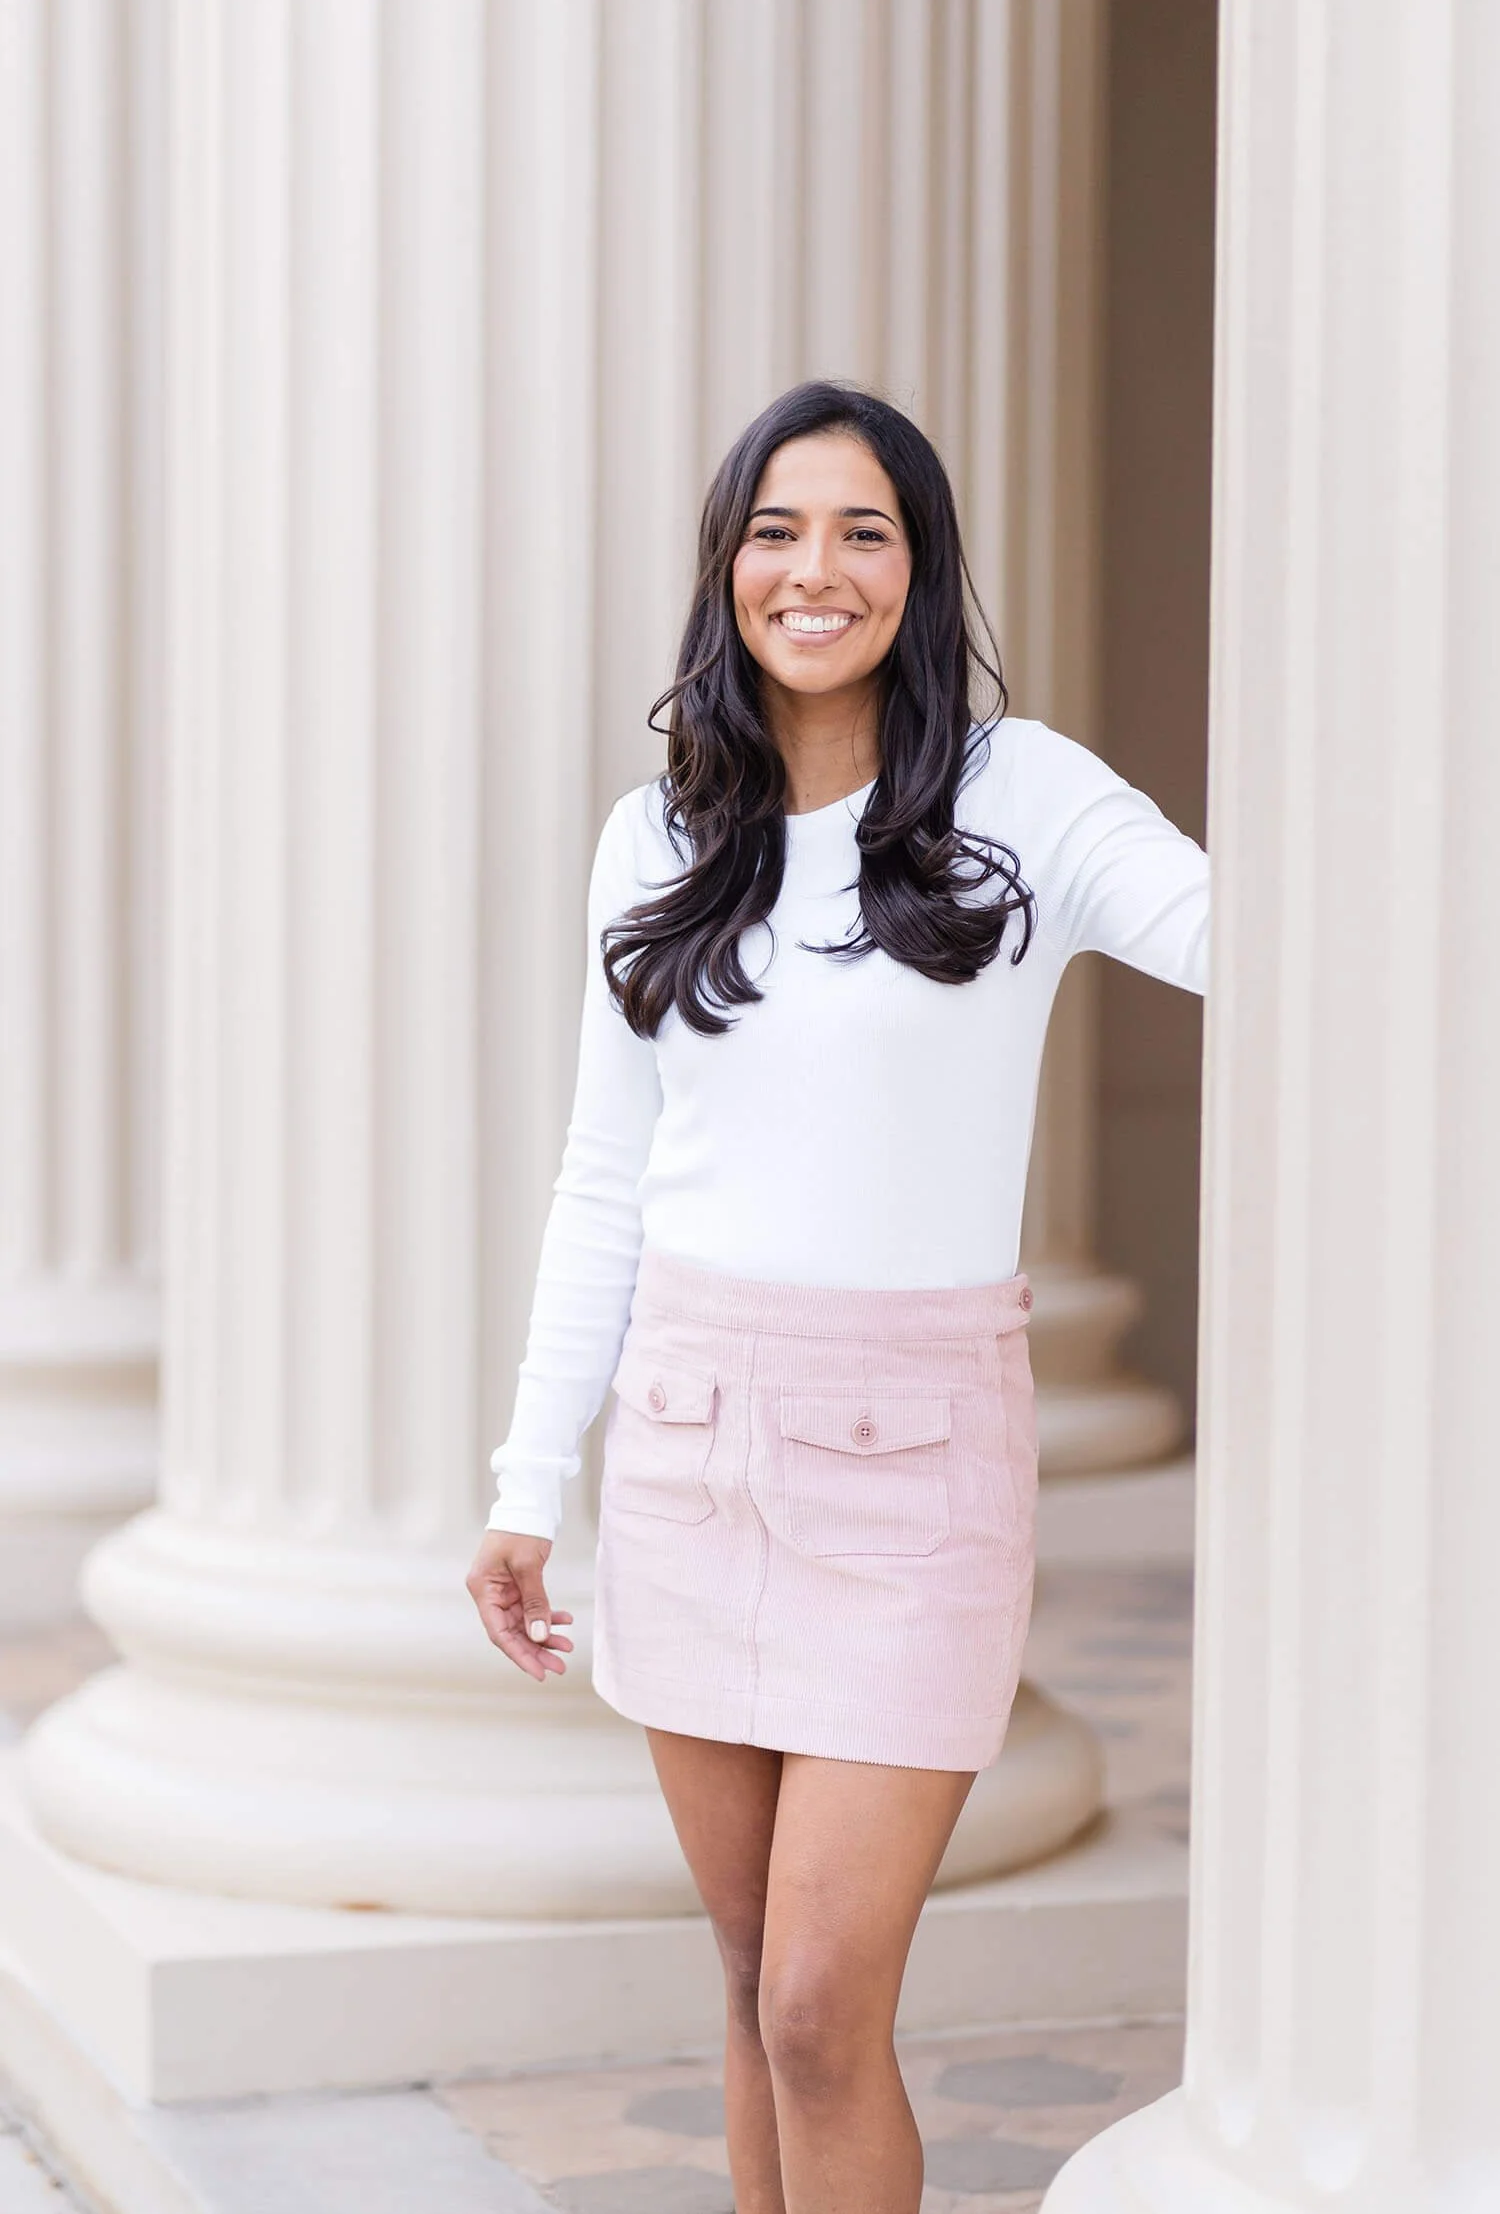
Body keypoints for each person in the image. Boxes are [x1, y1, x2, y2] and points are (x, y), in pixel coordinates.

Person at [467, 378, 1208, 2214]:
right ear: (727, 568)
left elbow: (1257, 933)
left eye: (864, 529)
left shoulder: (1025, 797)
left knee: (818, 1999)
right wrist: (522, 1477)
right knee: (745, 1988)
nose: (818, 569)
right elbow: (605, 1176)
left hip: (918, 1460)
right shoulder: (657, 837)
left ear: (921, 567)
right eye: (777, 530)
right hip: (692, 1442)